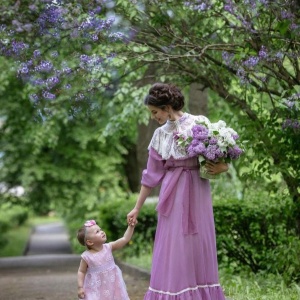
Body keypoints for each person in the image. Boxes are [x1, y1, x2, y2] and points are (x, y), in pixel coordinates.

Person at [127, 83, 228, 300]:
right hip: (173, 197)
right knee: (176, 248)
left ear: (167, 106)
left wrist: (223, 166)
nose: (154, 117)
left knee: (198, 245)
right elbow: (150, 176)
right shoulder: (159, 136)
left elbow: (220, 154)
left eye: (155, 112)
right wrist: (136, 208)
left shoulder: (199, 123)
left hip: (198, 193)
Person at [76, 219, 136, 300]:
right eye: (97, 232)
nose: (102, 232)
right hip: (96, 288)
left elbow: (124, 239)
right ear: (90, 242)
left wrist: (131, 227)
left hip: (112, 285)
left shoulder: (109, 247)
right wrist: (80, 287)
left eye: (100, 229)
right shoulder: (86, 257)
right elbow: (81, 271)